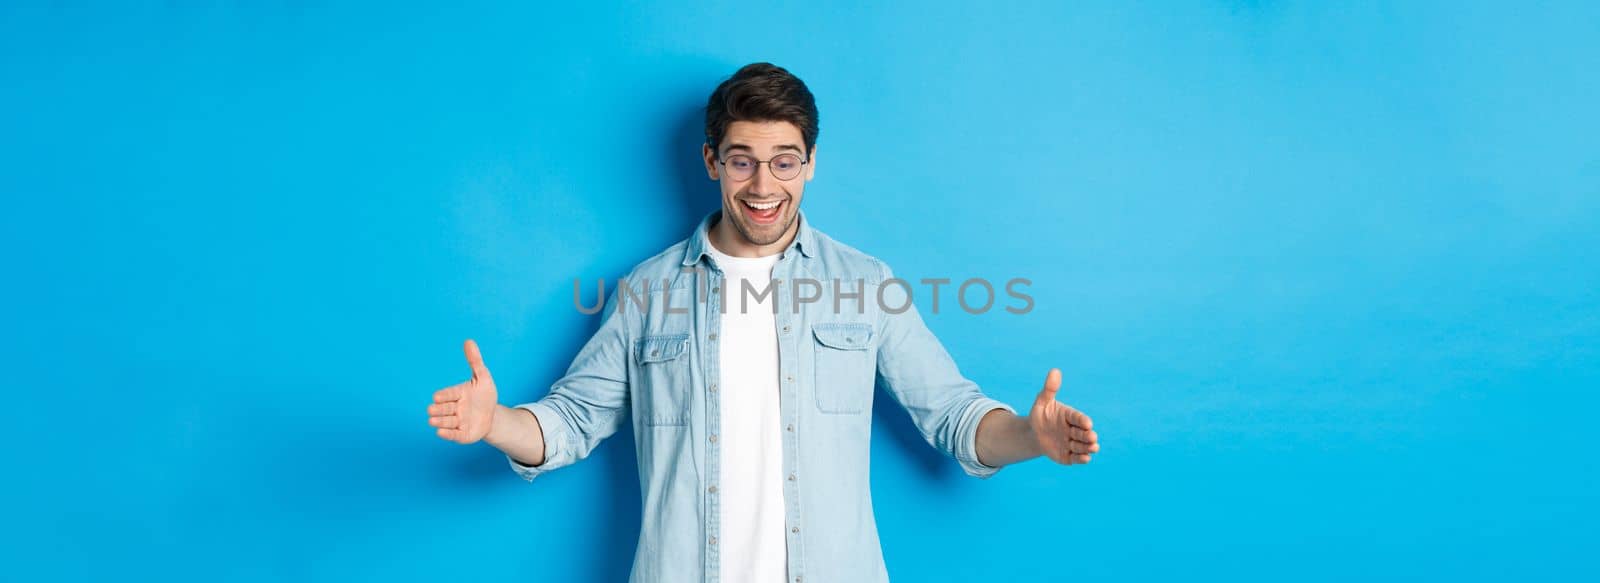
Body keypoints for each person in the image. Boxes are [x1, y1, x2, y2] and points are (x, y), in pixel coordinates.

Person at [425, 62, 1099, 583]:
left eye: (785, 161)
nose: (763, 185)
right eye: (743, 160)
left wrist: (1031, 436)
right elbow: (569, 421)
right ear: (712, 161)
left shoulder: (864, 284)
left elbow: (954, 415)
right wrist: (494, 423)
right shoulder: (646, 290)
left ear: (810, 163)